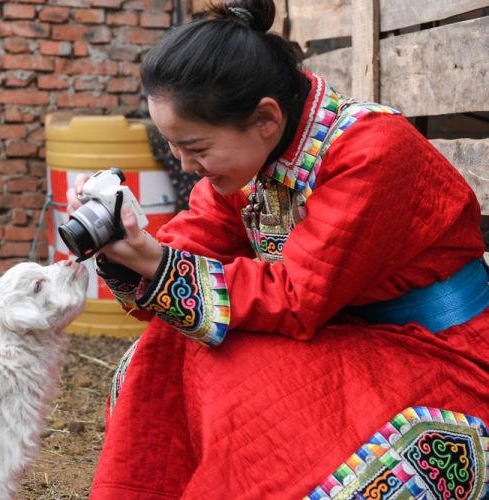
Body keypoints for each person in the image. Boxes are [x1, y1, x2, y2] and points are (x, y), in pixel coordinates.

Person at [66, 0, 489, 498]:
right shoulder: (252, 162)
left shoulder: (372, 154)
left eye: (197, 149)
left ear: (266, 117)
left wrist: (158, 264)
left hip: (439, 357)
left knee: (279, 422)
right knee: (163, 351)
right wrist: (128, 243)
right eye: (174, 146)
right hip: (343, 341)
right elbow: (194, 241)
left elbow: (295, 296)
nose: (184, 166)